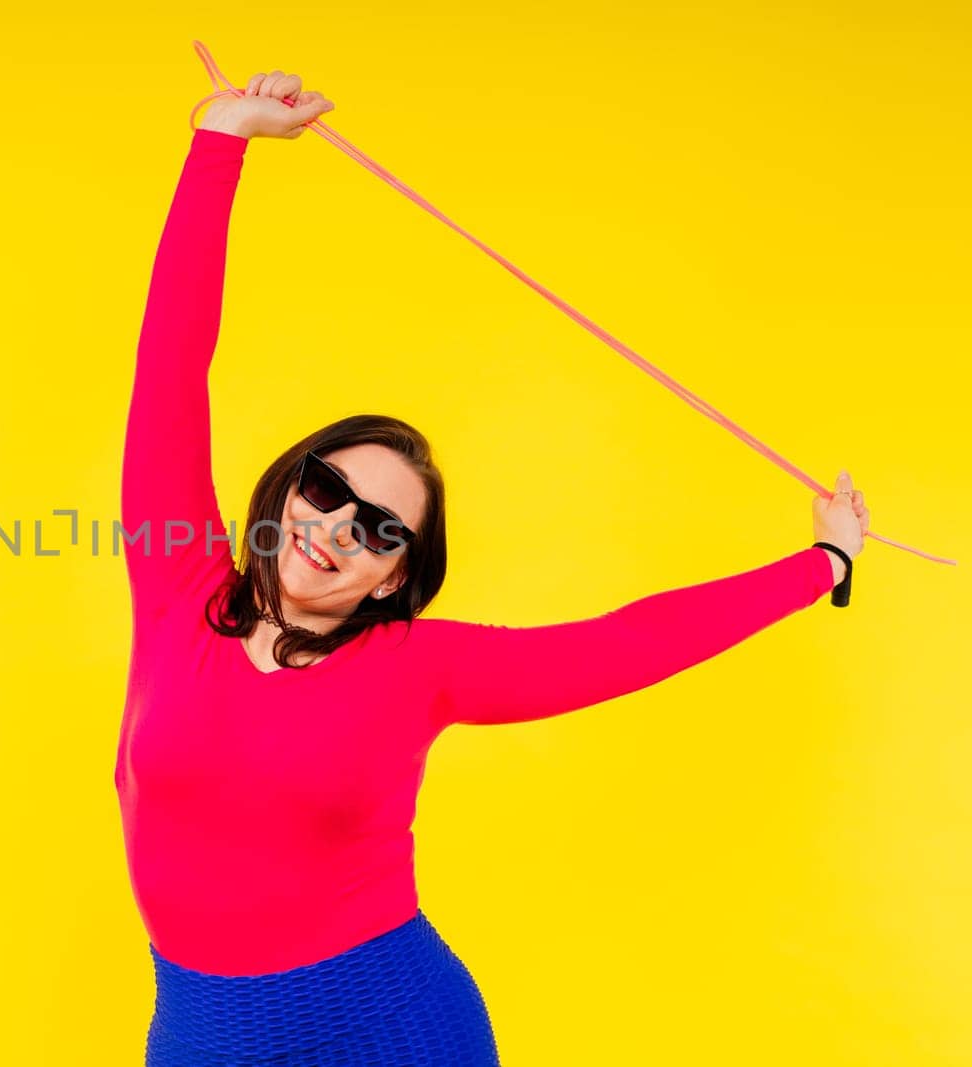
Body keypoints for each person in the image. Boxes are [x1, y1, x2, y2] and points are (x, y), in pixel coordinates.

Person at [115, 68, 870, 1067]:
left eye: (381, 529)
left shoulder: (414, 665)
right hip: (200, 1029)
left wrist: (820, 562)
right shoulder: (178, 587)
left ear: (393, 576)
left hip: (389, 1025)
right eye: (327, 488)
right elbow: (171, 364)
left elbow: (623, 644)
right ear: (286, 490)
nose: (338, 526)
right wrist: (221, 140)